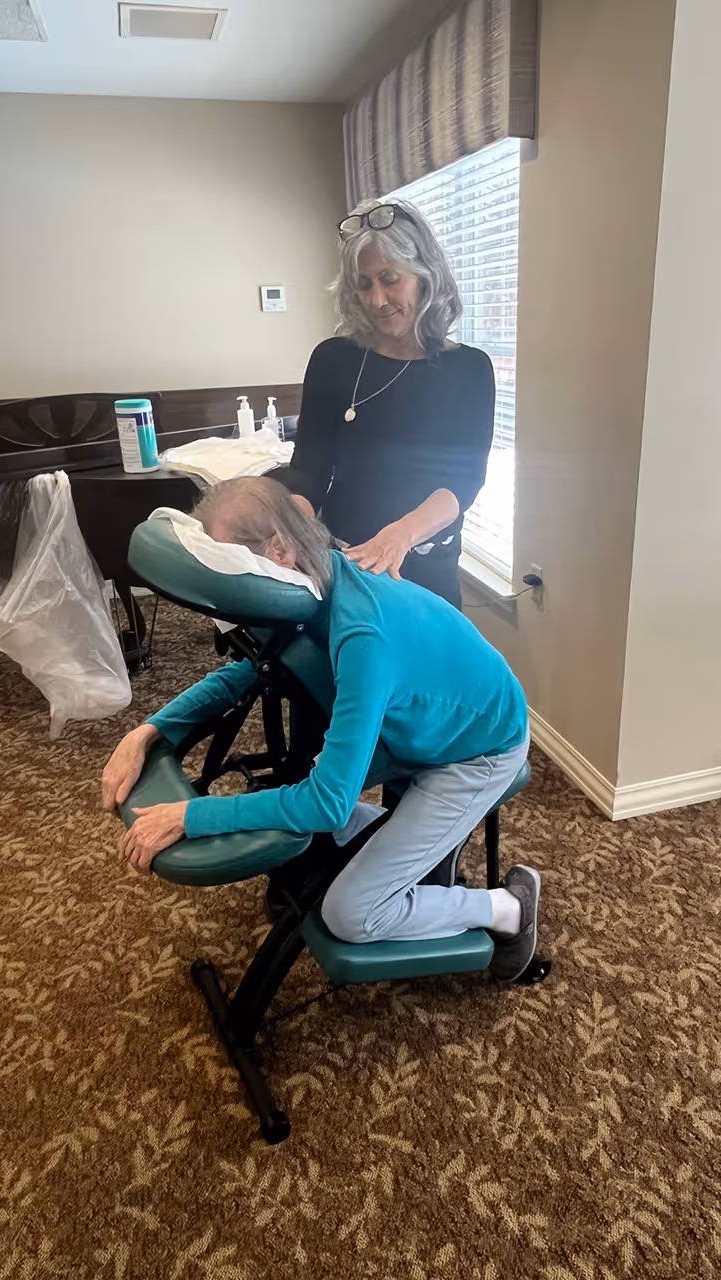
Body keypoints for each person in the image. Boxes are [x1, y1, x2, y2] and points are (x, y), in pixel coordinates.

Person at [102, 477, 541, 981]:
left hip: (477, 748)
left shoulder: (361, 635)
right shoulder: (307, 589)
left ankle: (509, 908)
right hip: (416, 726)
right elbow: (242, 672)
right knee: (295, 799)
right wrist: (148, 731)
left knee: (350, 913)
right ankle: (418, 838)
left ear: (279, 550)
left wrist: (193, 815)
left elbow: (328, 803)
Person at [279, 198, 495, 610]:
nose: (377, 300)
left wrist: (399, 535)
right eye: (364, 285)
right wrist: (289, 531)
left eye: (389, 279)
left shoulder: (467, 369)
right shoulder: (332, 360)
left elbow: (462, 483)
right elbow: (309, 469)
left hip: (425, 568)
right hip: (347, 563)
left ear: (424, 276)